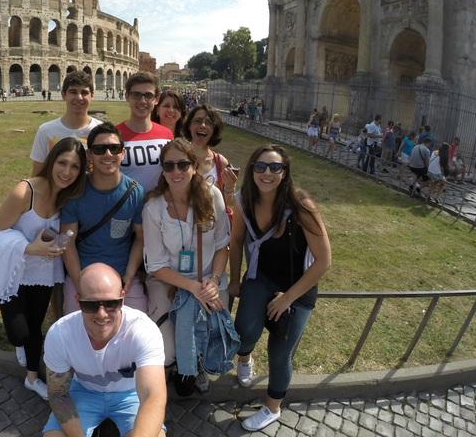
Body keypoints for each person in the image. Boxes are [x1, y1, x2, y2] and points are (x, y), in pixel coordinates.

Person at [228, 145, 331, 431]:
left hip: (297, 286)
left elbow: (323, 262)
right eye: (260, 167)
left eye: (275, 167)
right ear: (251, 170)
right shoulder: (245, 200)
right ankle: (245, 358)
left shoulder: (302, 206)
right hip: (261, 276)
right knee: (245, 332)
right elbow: (235, 242)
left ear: (285, 173)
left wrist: (287, 298)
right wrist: (235, 278)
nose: (267, 173)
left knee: (279, 352)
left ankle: (273, 408)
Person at [0, 138, 87, 400]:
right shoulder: (24, 191)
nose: (67, 172)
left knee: (36, 327)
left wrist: (56, 245)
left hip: (42, 272)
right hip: (14, 271)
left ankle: (31, 378)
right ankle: (21, 342)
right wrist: (30, 248)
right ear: (51, 161)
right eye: (62, 163)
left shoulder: (67, 196)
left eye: (75, 167)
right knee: (20, 334)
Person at [142, 138, 232, 394]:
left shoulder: (212, 195)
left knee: (211, 332)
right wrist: (194, 287)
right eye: (169, 165)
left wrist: (213, 281)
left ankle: (199, 365)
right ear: (162, 169)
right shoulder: (154, 208)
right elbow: (157, 266)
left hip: (208, 278)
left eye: (183, 165)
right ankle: (176, 365)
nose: (176, 172)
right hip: (167, 281)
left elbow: (221, 246)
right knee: (167, 351)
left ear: (194, 166)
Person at [43, 263, 167, 437]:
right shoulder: (60, 334)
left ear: (122, 299)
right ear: (78, 301)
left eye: (111, 303)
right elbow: (58, 395)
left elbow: (153, 395)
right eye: (91, 305)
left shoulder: (143, 330)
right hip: (83, 392)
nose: (102, 314)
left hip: (131, 395)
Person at [61, 123, 147, 314]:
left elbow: (140, 237)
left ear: (122, 153)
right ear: (90, 154)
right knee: (77, 332)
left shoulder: (135, 193)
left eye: (114, 148)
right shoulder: (75, 191)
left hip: (123, 277)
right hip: (82, 274)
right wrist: (79, 283)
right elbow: (68, 242)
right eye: (100, 149)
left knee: (140, 328)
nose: (108, 154)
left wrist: (130, 274)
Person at [30, 71, 102, 176]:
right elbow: (37, 176)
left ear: (92, 96)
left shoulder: (101, 131)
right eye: (73, 92)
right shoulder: (46, 131)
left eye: (84, 93)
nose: (79, 97)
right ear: (63, 95)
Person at [117, 72, 174, 192]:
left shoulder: (167, 135)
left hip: (158, 208)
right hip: (125, 208)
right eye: (136, 95)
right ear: (127, 96)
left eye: (148, 95)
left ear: (157, 99)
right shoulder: (114, 136)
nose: (143, 101)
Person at [182, 104, 238, 210]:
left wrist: (230, 187)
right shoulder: (177, 156)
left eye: (209, 123)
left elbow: (223, 203)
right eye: (198, 121)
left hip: (209, 223)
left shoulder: (220, 162)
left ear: (214, 129)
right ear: (190, 125)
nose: (203, 125)